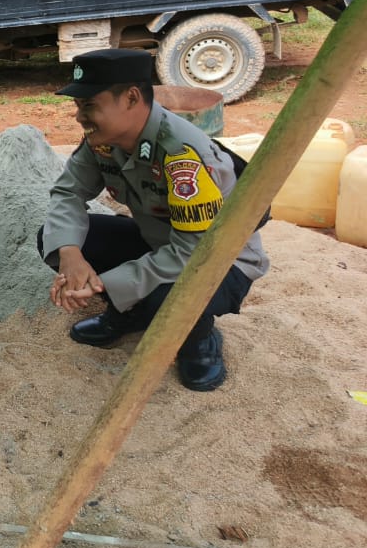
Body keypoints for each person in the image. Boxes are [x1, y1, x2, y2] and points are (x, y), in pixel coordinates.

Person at [37, 49, 270, 391]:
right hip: (161, 243)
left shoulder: (182, 154)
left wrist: (104, 284)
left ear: (131, 98)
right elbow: (68, 193)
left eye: (88, 105)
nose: (79, 117)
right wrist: (71, 255)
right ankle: (131, 314)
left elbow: (195, 253)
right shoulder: (103, 141)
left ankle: (198, 340)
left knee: (167, 296)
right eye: (78, 106)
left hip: (220, 262)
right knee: (56, 238)